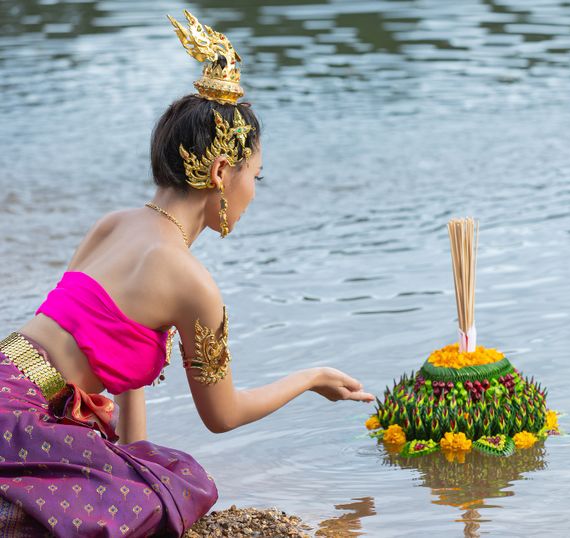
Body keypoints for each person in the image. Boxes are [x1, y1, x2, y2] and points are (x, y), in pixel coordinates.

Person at [0, 10, 374, 537]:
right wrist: (310, 377)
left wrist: (130, 460)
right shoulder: (194, 285)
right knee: (182, 481)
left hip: (6, 379)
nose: (253, 192)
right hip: (16, 423)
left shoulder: (113, 225)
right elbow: (223, 416)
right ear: (222, 172)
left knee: (148, 478)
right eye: (255, 176)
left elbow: (110, 368)